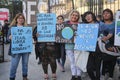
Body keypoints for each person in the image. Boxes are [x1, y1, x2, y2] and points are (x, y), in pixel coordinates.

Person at [8, 13, 30, 80]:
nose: (21, 19)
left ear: (24, 20)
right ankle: (12, 78)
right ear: (16, 19)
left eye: (22, 18)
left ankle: (25, 77)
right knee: (14, 65)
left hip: (25, 50)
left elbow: (28, 38)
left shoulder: (26, 28)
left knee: (25, 64)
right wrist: (9, 37)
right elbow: (7, 38)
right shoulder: (12, 28)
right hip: (16, 50)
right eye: (19, 18)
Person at [82, 11, 102, 80]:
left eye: (89, 15)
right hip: (88, 50)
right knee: (89, 68)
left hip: (97, 48)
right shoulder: (84, 26)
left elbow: (104, 33)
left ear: (92, 15)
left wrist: (102, 37)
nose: (87, 16)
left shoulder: (99, 24)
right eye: (86, 16)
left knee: (97, 68)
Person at [100, 9, 117, 80]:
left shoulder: (116, 23)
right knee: (104, 60)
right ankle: (103, 74)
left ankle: (111, 76)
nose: (106, 15)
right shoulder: (100, 24)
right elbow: (99, 33)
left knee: (113, 61)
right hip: (103, 45)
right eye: (104, 13)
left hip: (114, 44)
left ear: (111, 14)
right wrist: (105, 38)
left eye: (108, 13)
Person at [65, 10, 82, 80]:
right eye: (73, 15)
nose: (74, 16)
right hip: (69, 45)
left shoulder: (81, 25)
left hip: (79, 45)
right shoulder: (65, 24)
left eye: (76, 15)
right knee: (72, 61)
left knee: (78, 60)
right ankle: (73, 75)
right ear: (70, 15)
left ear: (78, 17)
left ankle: (79, 75)